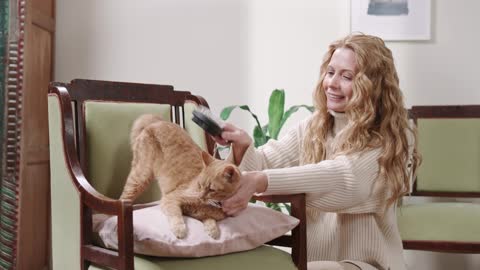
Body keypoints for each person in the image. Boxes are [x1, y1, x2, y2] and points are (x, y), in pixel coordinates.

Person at [214, 33, 420, 270]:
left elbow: (343, 178)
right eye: (330, 72)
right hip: (310, 262)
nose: (331, 83)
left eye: (347, 76)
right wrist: (242, 147)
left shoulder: (392, 136)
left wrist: (261, 180)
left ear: (372, 85)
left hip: (368, 264)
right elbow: (263, 163)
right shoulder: (315, 127)